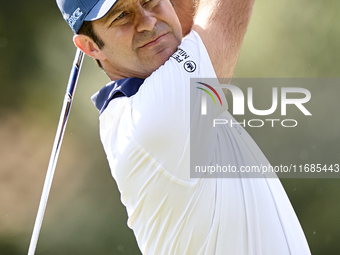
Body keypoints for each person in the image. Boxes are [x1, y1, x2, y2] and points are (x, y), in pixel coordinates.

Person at [56, 0, 311, 254]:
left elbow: (184, 18)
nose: (147, 22)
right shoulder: (154, 116)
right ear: (90, 46)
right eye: (121, 15)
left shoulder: (142, 100)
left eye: (149, 0)